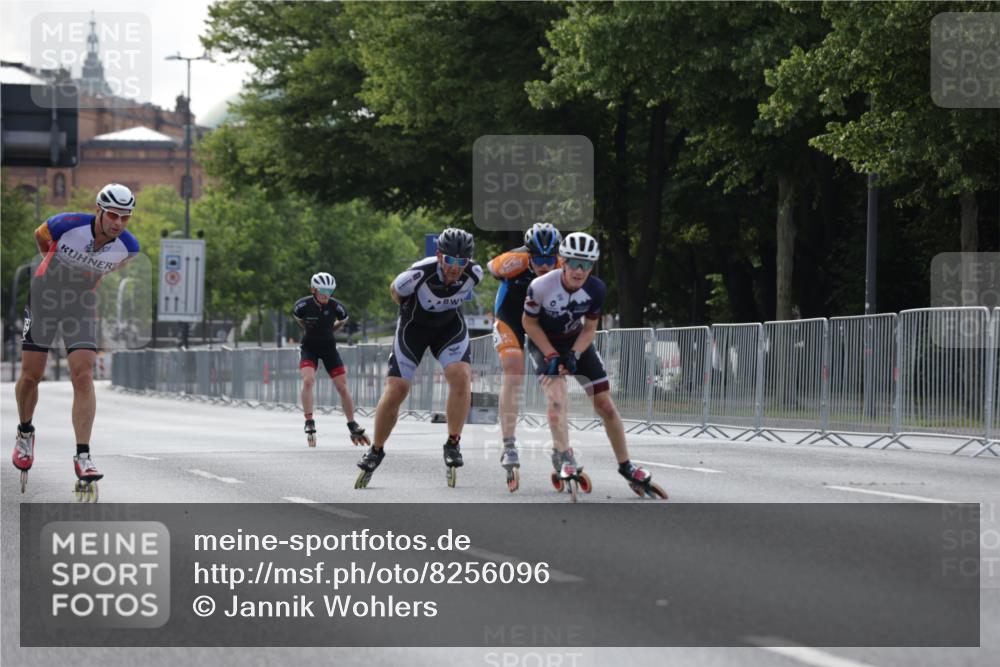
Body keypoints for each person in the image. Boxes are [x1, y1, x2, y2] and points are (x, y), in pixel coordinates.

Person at [12, 183, 140, 493]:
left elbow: (109, 267)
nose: (118, 223)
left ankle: (83, 454)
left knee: (83, 376)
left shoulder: (129, 246)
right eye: (112, 215)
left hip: (80, 304)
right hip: (44, 298)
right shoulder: (66, 225)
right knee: (32, 375)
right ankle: (25, 432)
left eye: (125, 218)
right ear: (99, 211)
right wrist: (55, 266)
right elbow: (40, 236)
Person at [522, 231, 666, 498]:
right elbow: (528, 323)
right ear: (562, 261)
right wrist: (552, 355)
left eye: (587, 264)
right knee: (556, 399)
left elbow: (590, 329)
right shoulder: (541, 286)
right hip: (544, 343)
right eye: (575, 263)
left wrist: (574, 355)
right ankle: (565, 457)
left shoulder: (596, 289)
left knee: (606, 405)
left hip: (577, 342)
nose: (580, 270)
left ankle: (626, 466)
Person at [355, 228, 482, 487]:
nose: (456, 268)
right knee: (397, 389)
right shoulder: (418, 273)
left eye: (462, 262)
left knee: (461, 377)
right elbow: (395, 292)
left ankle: (453, 442)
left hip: (448, 329)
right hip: (413, 330)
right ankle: (376, 450)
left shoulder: (474, 274)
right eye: (450, 261)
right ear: (439, 256)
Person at [486, 222, 562, 490]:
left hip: (542, 325)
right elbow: (491, 267)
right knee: (514, 370)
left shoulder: (565, 266)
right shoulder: (514, 262)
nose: (545, 265)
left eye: (550, 259)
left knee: (555, 379)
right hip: (510, 320)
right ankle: (508, 444)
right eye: (538, 259)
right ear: (529, 255)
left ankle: (560, 447)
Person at [292, 272, 369, 447]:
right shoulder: (301, 306)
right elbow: (300, 320)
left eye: (329, 291)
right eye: (322, 291)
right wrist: (312, 331)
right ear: (313, 290)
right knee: (309, 380)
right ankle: (309, 420)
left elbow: (343, 321)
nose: (326, 294)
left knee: (342, 387)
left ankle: (351, 422)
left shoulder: (338, 307)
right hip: (309, 348)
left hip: (329, 348)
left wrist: (327, 330)